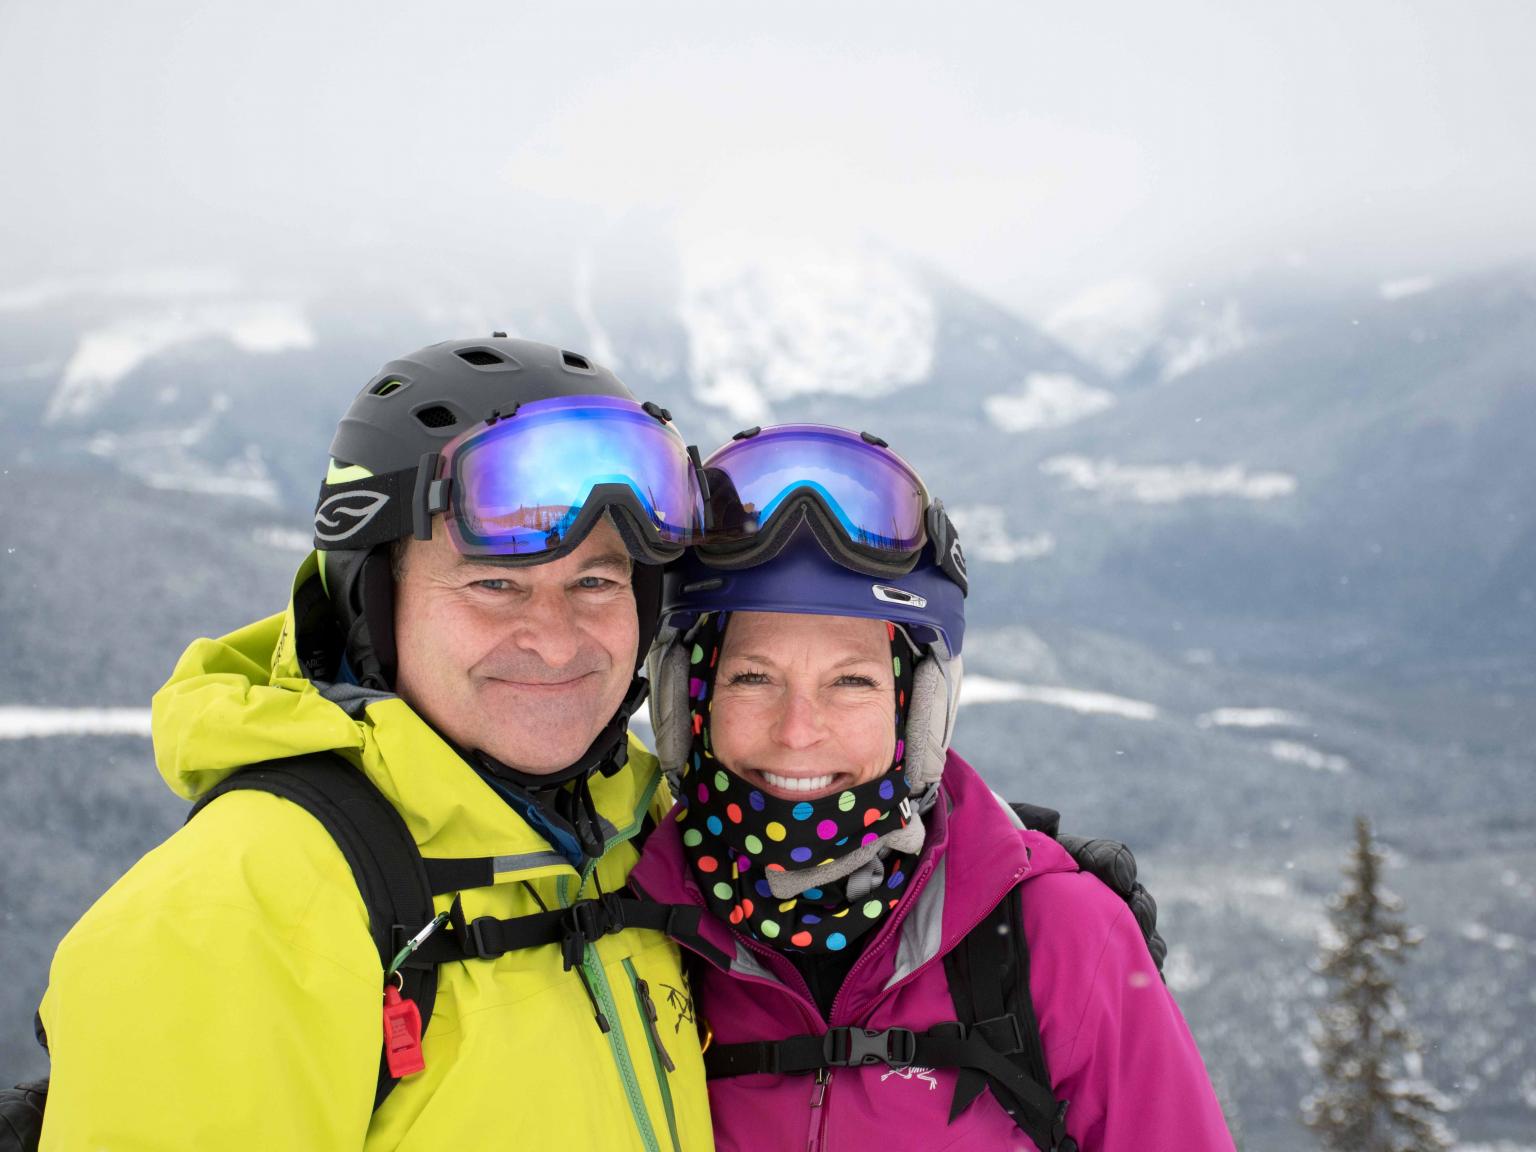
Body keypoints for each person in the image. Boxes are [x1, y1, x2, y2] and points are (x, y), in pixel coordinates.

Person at [35, 337, 715, 1150]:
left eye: (595, 581)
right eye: (495, 583)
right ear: (374, 604)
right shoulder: (233, 914)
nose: (557, 641)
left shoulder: (641, 836)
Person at [629, 424, 1234, 1151]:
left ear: (915, 708)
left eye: (851, 682)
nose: (797, 731)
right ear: (691, 699)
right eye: (753, 677)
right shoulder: (632, 924)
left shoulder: (1057, 938)